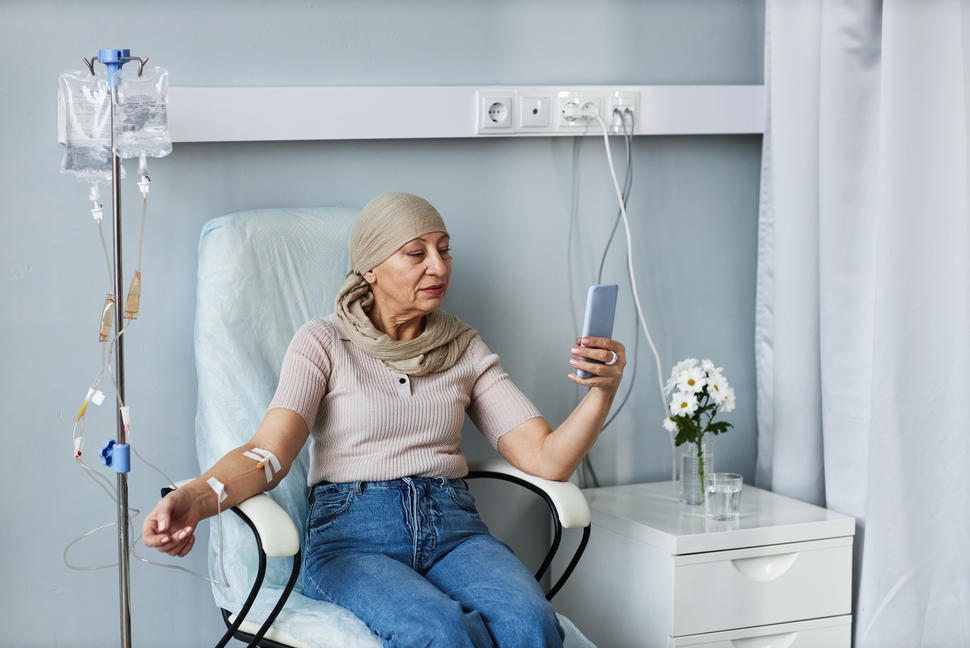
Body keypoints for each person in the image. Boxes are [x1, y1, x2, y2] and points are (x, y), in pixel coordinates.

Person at [142, 192, 626, 647]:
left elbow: (547, 460)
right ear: (371, 269)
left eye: (444, 250)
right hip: (353, 540)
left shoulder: (463, 348)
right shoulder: (324, 342)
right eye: (416, 254)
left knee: (531, 622)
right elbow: (268, 452)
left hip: (455, 530)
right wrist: (196, 499)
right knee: (440, 633)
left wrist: (601, 392)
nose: (438, 266)